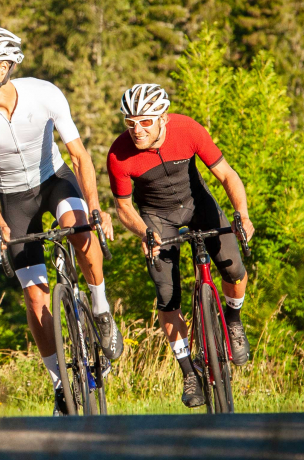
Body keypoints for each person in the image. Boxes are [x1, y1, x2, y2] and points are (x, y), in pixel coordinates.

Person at [0, 27, 123, 416]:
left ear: (4, 67)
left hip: (55, 181)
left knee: (79, 227)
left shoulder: (44, 93)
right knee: (34, 295)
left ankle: (99, 307)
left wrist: (95, 208)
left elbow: (78, 156)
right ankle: (60, 381)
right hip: (14, 199)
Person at [106, 83, 255, 408]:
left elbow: (226, 175)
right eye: (130, 123)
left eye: (145, 121)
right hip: (157, 218)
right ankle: (188, 370)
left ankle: (233, 320)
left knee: (233, 267)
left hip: (197, 204)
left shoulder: (187, 129)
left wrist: (241, 213)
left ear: (163, 118)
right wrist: (145, 232)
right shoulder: (119, 154)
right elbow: (124, 208)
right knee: (167, 295)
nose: (137, 129)